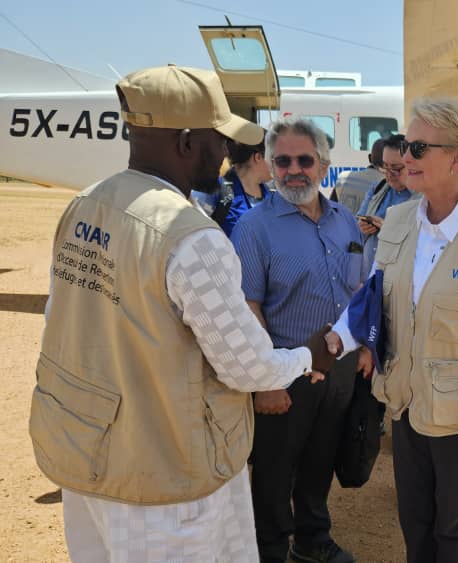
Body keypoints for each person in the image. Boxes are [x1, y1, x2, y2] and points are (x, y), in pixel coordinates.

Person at [29, 64, 334, 562]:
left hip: (88, 457)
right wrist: (309, 356)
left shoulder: (86, 204)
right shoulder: (189, 235)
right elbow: (248, 366)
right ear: (189, 142)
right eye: (219, 140)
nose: (226, 154)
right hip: (164, 484)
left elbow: (63, 323)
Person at [326, 97, 458, 563]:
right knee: (415, 526)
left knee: (456, 535)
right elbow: (373, 299)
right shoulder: (399, 221)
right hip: (404, 405)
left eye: (418, 148)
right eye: (404, 145)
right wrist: (340, 338)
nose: (404, 159)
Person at [231, 116, 366, 563]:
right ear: (269, 165)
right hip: (285, 371)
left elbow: (359, 291)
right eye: (282, 160)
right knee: (272, 469)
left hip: (338, 369)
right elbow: (248, 307)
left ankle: (312, 539)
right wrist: (265, 379)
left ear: (323, 165)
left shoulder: (345, 221)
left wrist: (363, 346)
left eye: (304, 160)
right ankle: (269, 549)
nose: (293, 169)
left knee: (320, 459)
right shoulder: (254, 227)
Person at [357, 134, 415, 273]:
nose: (388, 174)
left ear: (412, 164)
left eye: (395, 168)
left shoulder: (424, 198)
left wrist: (389, 230)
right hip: (369, 280)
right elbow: (355, 227)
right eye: (385, 167)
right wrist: (362, 228)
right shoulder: (377, 189)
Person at [335, 138, 386, 213]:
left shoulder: (342, 178)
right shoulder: (387, 184)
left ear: (369, 158)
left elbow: (332, 208)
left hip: (342, 224)